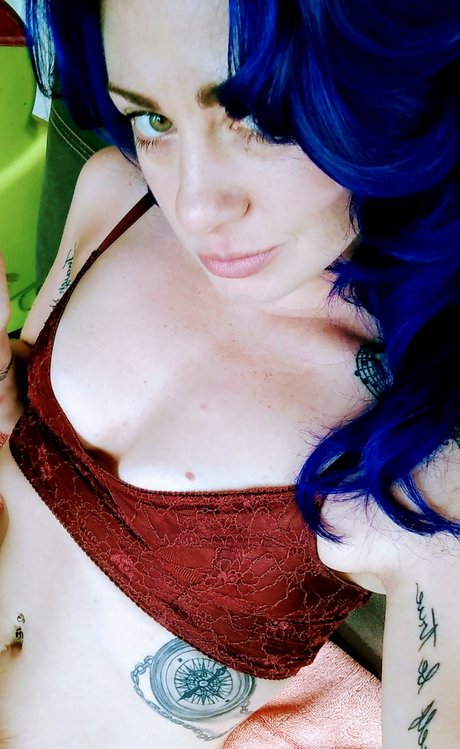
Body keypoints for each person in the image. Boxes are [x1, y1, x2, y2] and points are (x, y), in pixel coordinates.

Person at [1, 0, 459, 746]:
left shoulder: (425, 441)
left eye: (263, 119)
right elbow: (23, 437)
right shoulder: (115, 195)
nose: (196, 206)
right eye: (153, 119)